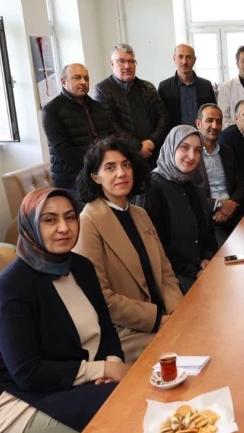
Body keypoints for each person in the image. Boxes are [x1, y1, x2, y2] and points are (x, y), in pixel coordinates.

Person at [0, 188, 128, 433]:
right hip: (22, 401)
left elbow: (106, 329)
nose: (64, 228)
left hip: (82, 383)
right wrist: (102, 370)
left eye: (70, 217)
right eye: (50, 220)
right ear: (31, 225)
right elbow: (27, 372)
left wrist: (112, 364)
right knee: (128, 411)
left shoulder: (81, 267)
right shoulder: (11, 286)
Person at [74, 139, 183, 362]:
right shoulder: (88, 222)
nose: (121, 173)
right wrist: (157, 320)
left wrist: (177, 313)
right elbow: (100, 297)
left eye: (126, 165)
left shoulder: (140, 214)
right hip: (125, 333)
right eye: (110, 167)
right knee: (190, 347)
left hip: (165, 317)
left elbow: (166, 272)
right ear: (95, 178)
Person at [144, 126, 217, 294]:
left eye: (197, 150)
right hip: (171, 279)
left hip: (201, 270)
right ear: (171, 147)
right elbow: (155, 247)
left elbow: (208, 231)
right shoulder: (152, 189)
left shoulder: (194, 187)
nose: (192, 156)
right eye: (185, 147)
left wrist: (207, 257)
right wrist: (194, 271)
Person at [92, 44, 169, 166]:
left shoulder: (148, 87)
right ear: (112, 64)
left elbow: (163, 117)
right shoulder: (102, 90)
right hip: (125, 157)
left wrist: (152, 141)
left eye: (131, 61)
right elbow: (110, 125)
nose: (127, 66)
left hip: (155, 153)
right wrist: (138, 148)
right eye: (121, 61)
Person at [42, 63, 112, 194]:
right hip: (71, 180)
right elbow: (62, 149)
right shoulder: (52, 110)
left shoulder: (96, 106)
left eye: (86, 78)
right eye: (77, 78)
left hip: (101, 173)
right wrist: (95, 164)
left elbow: (108, 137)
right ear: (63, 82)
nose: (83, 82)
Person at [193, 104, 244, 246]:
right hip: (209, 217)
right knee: (226, 249)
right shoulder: (192, 155)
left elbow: (241, 185)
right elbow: (191, 194)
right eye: (209, 120)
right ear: (198, 124)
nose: (215, 126)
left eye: (218, 121)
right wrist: (218, 206)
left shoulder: (227, 151)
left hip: (233, 212)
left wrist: (230, 207)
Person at [158, 43, 217, 131]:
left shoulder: (206, 86)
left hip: (202, 136)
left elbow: (214, 114)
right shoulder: (164, 87)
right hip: (175, 137)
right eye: (180, 57)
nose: (184, 61)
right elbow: (160, 118)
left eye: (188, 57)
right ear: (174, 59)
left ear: (194, 60)